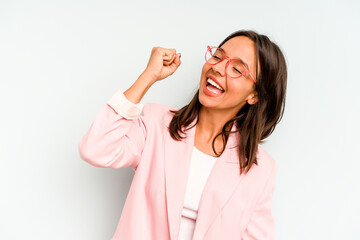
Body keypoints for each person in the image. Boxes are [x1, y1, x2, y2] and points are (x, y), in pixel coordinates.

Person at [78, 29, 287, 240]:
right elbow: (95, 149)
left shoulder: (261, 170)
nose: (218, 68)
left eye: (236, 69)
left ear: (254, 95)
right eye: (217, 56)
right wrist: (148, 76)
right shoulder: (156, 123)